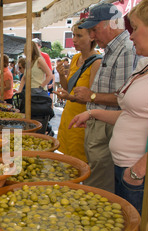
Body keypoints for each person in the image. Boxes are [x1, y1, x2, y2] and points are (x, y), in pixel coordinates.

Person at [69, 0, 148, 231]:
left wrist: (140, 168)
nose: (132, 35)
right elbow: (135, 114)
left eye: (135, 28)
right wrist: (94, 112)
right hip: (126, 166)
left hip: (139, 173)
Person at [72, 2, 138, 193]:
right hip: (101, 121)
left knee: (100, 184)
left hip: (109, 125)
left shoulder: (126, 49)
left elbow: (123, 98)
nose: (92, 36)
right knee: (96, 176)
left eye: (94, 29)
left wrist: (91, 96)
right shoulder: (112, 49)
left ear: (110, 25)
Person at [54, 19, 102, 163]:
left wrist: (71, 97)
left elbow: (92, 97)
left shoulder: (96, 62)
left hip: (82, 121)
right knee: (66, 159)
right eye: (73, 35)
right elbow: (69, 87)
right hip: (68, 115)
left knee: (78, 162)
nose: (73, 40)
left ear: (92, 37)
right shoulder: (75, 58)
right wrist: (62, 75)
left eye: (79, 36)